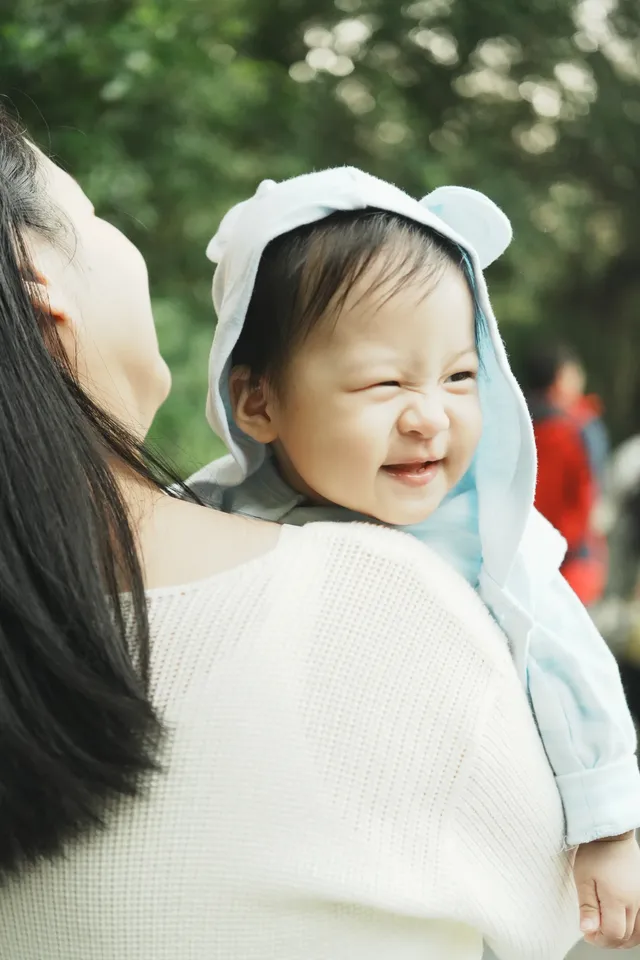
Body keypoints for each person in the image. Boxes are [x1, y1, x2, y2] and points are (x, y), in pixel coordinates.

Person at [0, 108, 583, 960]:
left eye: (459, 375)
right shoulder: (377, 603)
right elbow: (555, 928)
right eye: (94, 216)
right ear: (37, 276)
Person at [190, 168, 640, 949]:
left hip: (454, 855)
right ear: (257, 401)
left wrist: (607, 825)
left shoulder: (484, 539)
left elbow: (569, 666)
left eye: (461, 377)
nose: (430, 416)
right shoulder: (212, 519)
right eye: (383, 381)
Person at [523, 343, 609, 606]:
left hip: (522, 554)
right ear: (561, 378)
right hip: (571, 561)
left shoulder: (514, 422)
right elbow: (591, 498)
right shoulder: (581, 427)